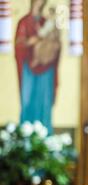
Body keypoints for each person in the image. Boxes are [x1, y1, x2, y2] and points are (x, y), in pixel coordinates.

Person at [14, 0, 61, 135]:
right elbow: (20, 44)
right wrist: (32, 41)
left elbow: (55, 41)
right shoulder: (24, 22)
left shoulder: (46, 22)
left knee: (44, 101)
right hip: (28, 66)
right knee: (28, 98)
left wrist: (51, 43)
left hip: (46, 68)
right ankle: (25, 134)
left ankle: (45, 133)